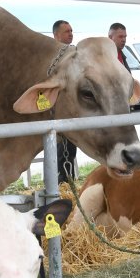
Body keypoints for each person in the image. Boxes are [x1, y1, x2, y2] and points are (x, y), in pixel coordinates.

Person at [52, 20, 78, 183]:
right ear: (56, 35)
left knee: (70, 147)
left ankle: (69, 180)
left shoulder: (75, 54)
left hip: (72, 110)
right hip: (55, 111)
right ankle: (61, 181)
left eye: (71, 31)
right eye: (67, 31)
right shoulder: (51, 56)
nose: (71, 34)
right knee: (58, 149)